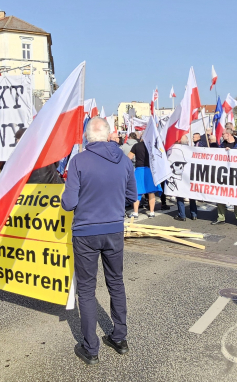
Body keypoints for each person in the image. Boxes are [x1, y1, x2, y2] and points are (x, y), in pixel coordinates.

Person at [61, 117, 136, 365]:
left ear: (87, 136)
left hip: (85, 232)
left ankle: (91, 348)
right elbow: (132, 196)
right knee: (116, 282)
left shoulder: (79, 161)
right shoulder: (125, 161)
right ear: (108, 134)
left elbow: (69, 203)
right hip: (114, 229)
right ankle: (120, 337)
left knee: (86, 288)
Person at [214, 130, 237, 227]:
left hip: (236, 175)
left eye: (223, 134)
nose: (222, 135)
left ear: (228, 134)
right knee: (220, 196)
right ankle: (221, 218)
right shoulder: (221, 145)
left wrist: (233, 152)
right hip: (224, 175)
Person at [129, 132, 160, 218]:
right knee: (151, 192)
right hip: (149, 171)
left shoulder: (136, 146)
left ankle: (135, 213)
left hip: (139, 170)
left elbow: (128, 158)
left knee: (137, 192)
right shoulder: (152, 147)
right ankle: (152, 212)